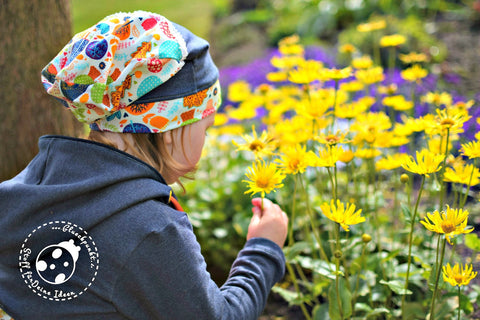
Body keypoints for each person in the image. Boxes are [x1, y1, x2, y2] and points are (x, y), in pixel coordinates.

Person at [0, 11, 288, 320]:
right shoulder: (151, 230)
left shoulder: (27, 191)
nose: (207, 138)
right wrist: (263, 249)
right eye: (205, 128)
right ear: (170, 127)